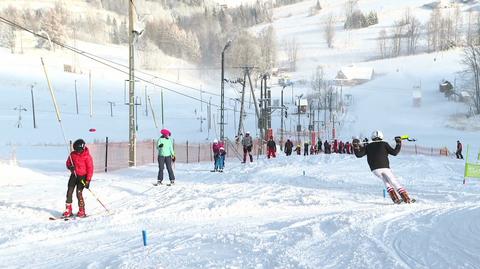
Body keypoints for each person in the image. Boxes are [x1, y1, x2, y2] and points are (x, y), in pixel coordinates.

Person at [353, 130, 413, 204]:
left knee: (386, 182)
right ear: (381, 137)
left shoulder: (368, 145)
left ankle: (395, 199)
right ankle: (407, 199)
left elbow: (359, 155)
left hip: (374, 169)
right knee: (393, 181)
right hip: (385, 167)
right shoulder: (384, 144)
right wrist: (398, 142)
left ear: (372, 137)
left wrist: (356, 146)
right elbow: (394, 153)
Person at [63, 139, 94, 218]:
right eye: (75, 150)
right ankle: (68, 210)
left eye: (78, 150)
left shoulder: (87, 156)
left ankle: (81, 210)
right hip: (74, 176)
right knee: (69, 191)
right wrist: (70, 167)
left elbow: (90, 169)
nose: (76, 151)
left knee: (78, 193)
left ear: (82, 148)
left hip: (82, 177)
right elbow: (68, 163)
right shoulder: (72, 154)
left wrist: (88, 181)